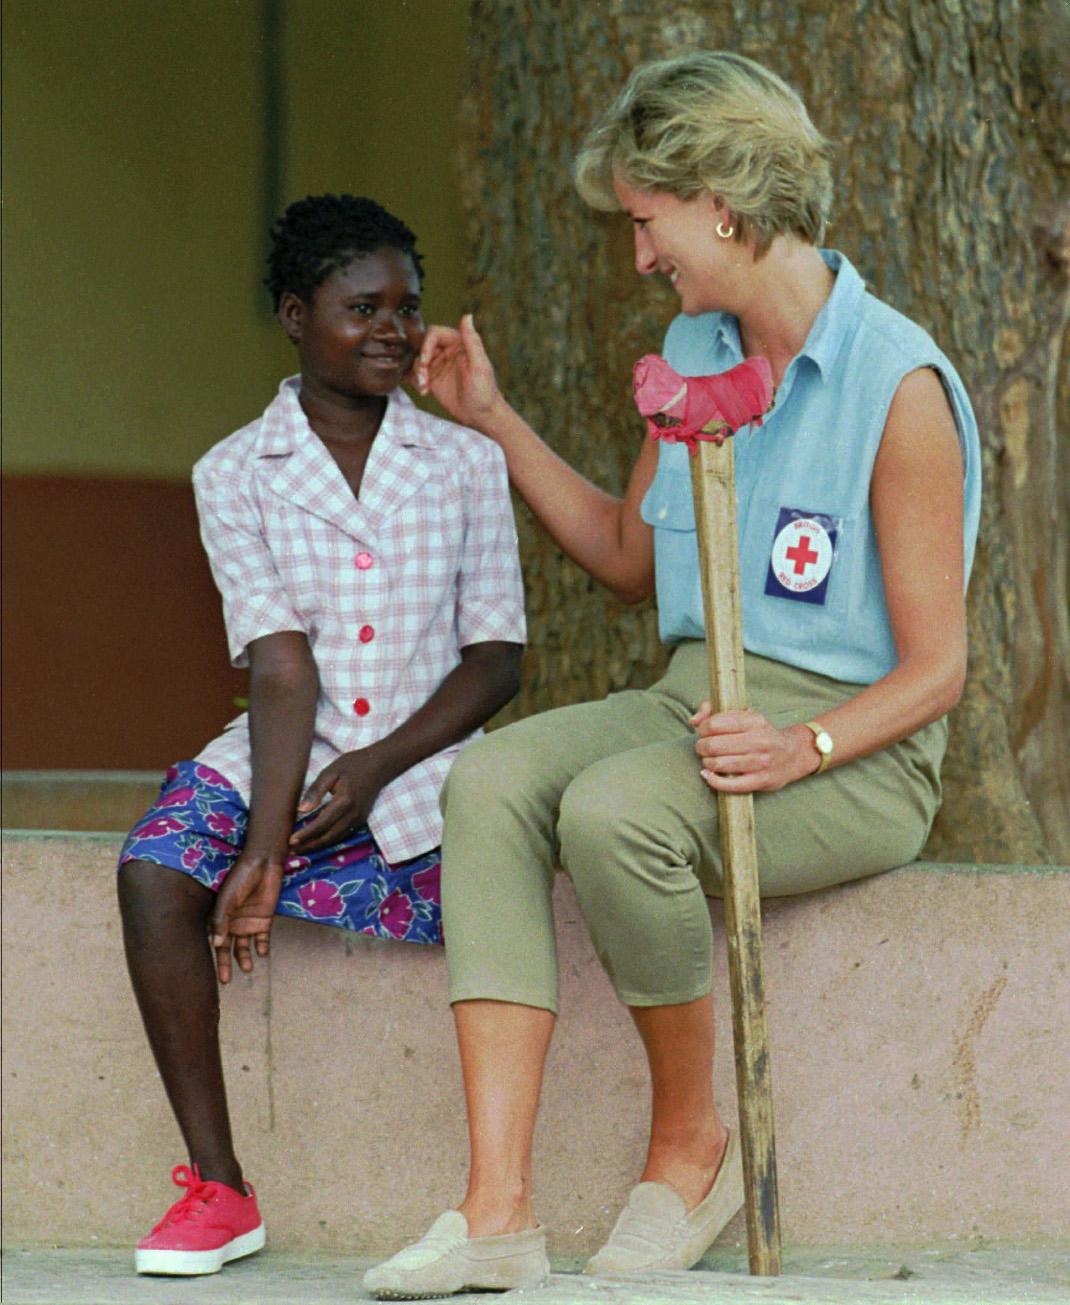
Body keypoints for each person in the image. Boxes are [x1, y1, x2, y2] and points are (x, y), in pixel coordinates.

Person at [362, 51, 981, 1299]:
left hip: (851, 746)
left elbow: (939, 671)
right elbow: (630, 560)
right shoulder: (693, 341)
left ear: (724, 205)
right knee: (486, 783)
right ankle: (496, 1211)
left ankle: (692, 1151)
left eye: (647, 223)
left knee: (614, 813)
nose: (638, 254)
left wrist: (797, 749)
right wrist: (493, 419)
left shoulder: (894, 383)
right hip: (690, 699)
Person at [116, 194, 525, 1277]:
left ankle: (488, 1199)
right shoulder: (233, 472)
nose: (392, 329)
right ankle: (219, 1189)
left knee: (498, 872)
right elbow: (280, 663)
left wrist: (380, 761)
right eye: (361, 308)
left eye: (406, 307)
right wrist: (263, 845)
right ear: (296, 317)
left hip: (422, 758)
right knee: (155, 872)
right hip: (283, 754)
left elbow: (497, 659)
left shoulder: (465, 465)